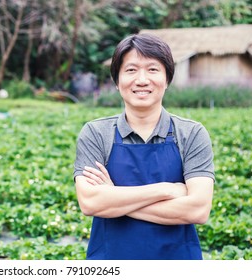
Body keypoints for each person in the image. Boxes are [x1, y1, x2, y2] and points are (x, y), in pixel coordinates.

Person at [73, 33, 215, 260]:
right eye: (131, 70)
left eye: (152, 69)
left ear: (167, 79)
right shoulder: (96, 133)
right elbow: (91, 203)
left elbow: (197, 209)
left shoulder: (191, 133)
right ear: (117, 81)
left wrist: (113, 198)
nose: (141, 80)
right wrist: (167, 190)